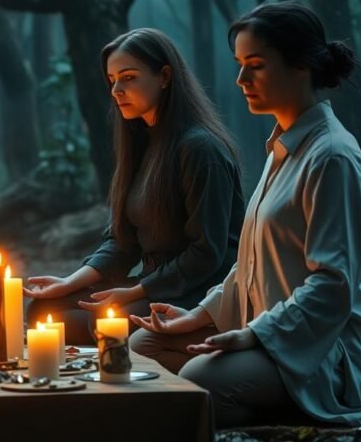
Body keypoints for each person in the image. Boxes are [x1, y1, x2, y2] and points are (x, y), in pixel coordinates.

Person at [130, 1, 361, 428]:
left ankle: (287, 417)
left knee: (198, 379)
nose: (241, 79)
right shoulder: (281, 149)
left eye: (256, 65)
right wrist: (199, 316)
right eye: (240, 65)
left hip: (330, 347)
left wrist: (253, 336)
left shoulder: (333, 158)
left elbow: (331, 287)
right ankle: (237, 403)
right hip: (269, 333)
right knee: (144, 345)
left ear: (301, 66)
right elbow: (248, 263)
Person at [25, 28, 243, 344]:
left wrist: (134, 292)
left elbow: (207, 253)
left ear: (165, 76)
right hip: (150, 282)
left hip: (197, 291)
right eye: (112, 79)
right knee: (45, 311)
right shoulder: (142, 144)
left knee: (104, 324)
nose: (116, 89)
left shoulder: (200, 149)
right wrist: (70, 283)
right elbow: (122, 241)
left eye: (128, 77)